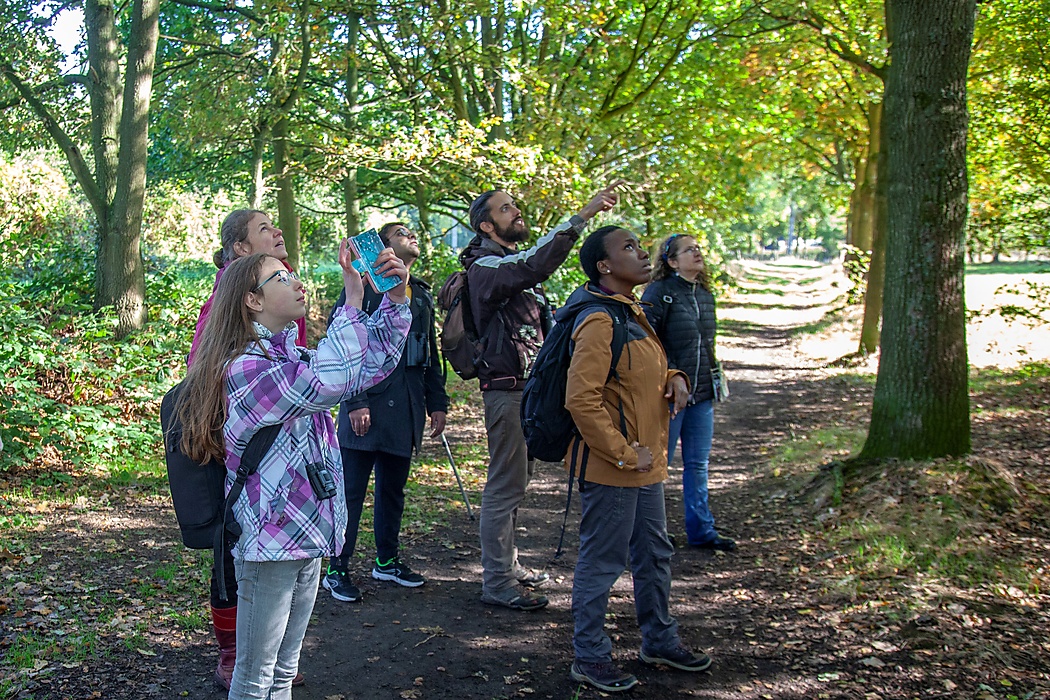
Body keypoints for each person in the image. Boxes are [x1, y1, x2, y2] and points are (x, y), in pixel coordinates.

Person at [174, 245, 410, 700]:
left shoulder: (291, 357)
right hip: (269, 546)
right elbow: (331, 379)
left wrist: (396, 299)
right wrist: (353, 299)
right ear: (252, 300)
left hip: (305, 535)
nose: (297, 282)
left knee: (284, 673)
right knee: (256, 675)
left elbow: (369, 363)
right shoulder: (244, 369)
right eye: (280, 278)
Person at [461, 181, 623, 611]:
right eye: (506, 209)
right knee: (504, 486)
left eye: (514, 206)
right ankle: (496, 582)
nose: (516, 212)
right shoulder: (487, 267)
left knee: (517, 484)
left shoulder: (502, 265)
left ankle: (508, 566)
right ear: (485, 225)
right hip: (506, 393)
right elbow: (533, 264)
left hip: (525, 393)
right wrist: (583, 216)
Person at [564, 225, 711, 693]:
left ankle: (659, 640)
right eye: (627, 248)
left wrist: (676, 375)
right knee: (603, 560)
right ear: (604, 266)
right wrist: (625, 455)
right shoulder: (599, 319)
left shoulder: (630, 311)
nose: (642, 253)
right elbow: (581, 400)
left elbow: (643, 367)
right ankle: (589, 656)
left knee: (653, 553)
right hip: (615, 465)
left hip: (645, 463)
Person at [188, 209, 310, 689]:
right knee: (232, 545)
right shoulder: (231, 297)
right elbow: (209, 370)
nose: (277, 231)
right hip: (238, 445)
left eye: (276, 225)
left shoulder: (284, 297)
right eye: (263, 229)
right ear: (240, 250)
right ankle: (233, 652)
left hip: (281, 446)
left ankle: (266, 651)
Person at [322, 222, 450, 602]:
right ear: (380, 247)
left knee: (393, 490)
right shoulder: (362, 287)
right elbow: (344, 347)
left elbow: (430, 354)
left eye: (412, 232)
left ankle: (387, 559)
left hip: (407, 405)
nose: (410, 236)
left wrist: (437, 402)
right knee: (350, 491)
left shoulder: (420, 294)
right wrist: (356, 401)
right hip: (367, 406)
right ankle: (336, 566)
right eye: (400, 233)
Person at [642, 234, 735, 551]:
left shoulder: (705, 294)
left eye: (698, 249)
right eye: (689, 250)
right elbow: (645, 342)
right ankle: (651, 531)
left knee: (697, 464)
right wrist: (668, 376)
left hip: (702, 395)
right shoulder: (660, 293)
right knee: (657, 464)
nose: (697, 253)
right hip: (667, 396)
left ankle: (701, 530)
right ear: (671, 261)